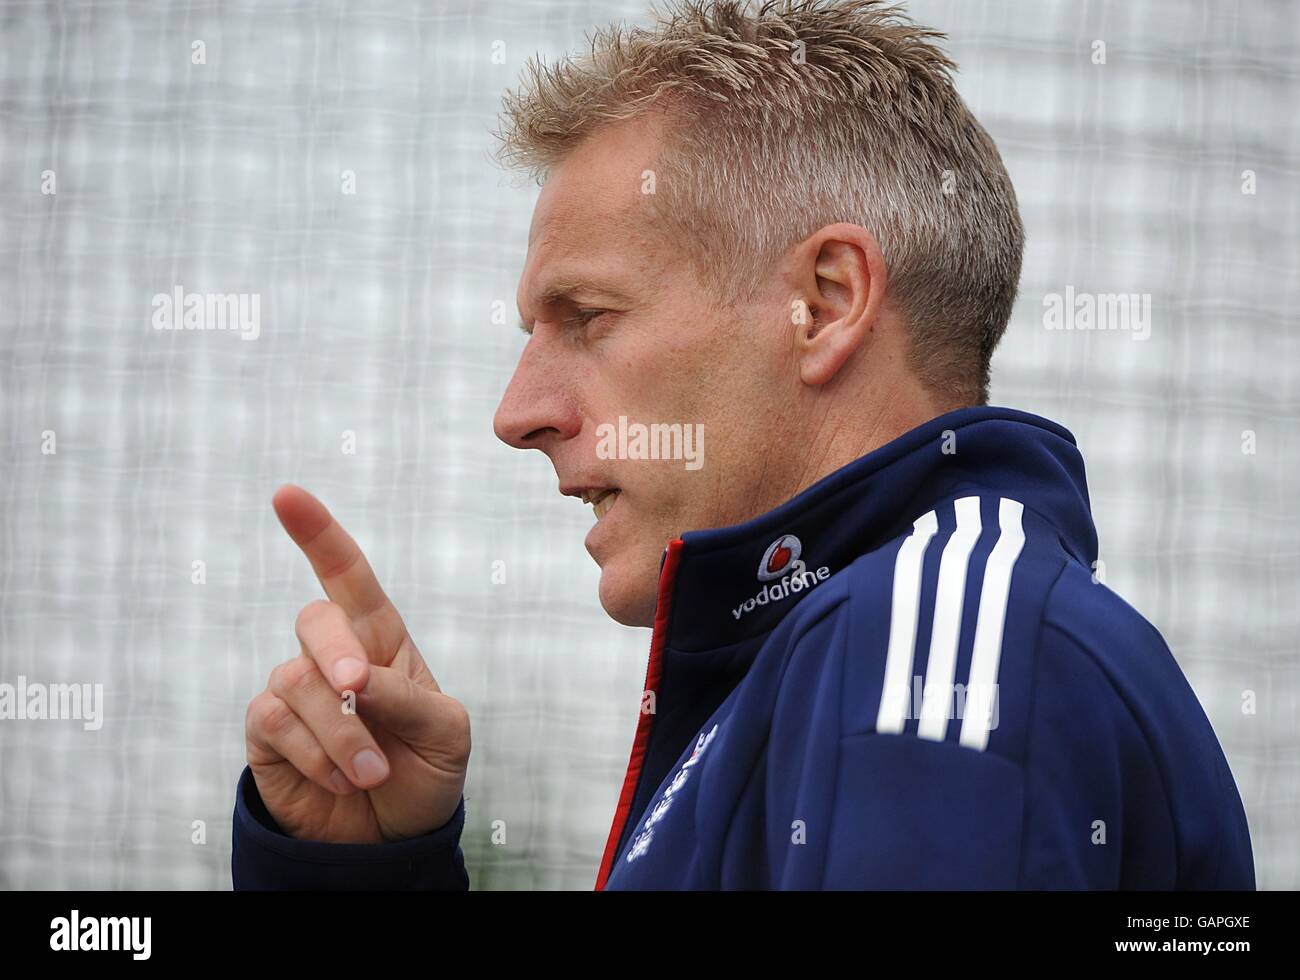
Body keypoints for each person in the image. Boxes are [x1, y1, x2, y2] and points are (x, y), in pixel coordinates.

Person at [231, 0, 1255, 890]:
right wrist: (364, 867)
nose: (517, 411)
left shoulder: (922, 646)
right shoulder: (839, 659)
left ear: (825, 303)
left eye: (586, 315)